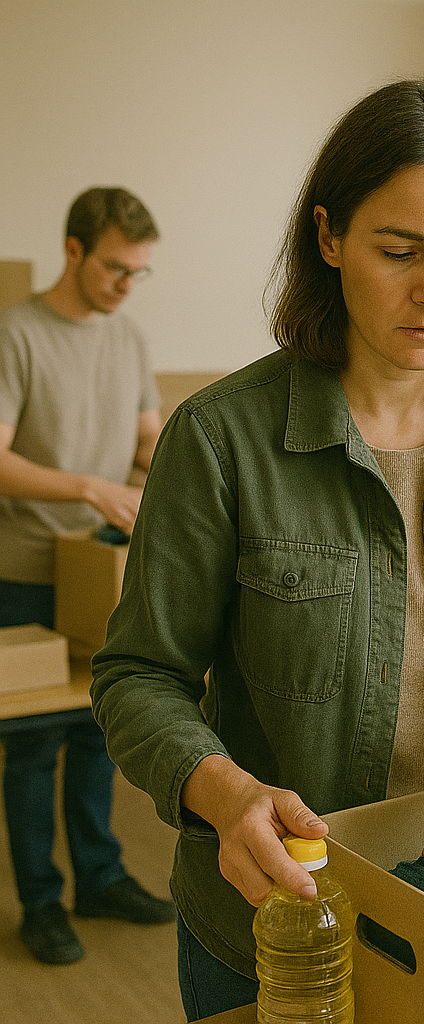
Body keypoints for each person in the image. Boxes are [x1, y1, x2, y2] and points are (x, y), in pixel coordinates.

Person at [90, 79, 424, 1021]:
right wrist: (221, 793)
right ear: (330, 238)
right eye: (399, 251)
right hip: (277, 909)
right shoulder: (220, 439)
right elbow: (138, 676)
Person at [0, 186, 176, 965]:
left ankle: (99, 876)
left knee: (101, 729)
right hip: (29, 569)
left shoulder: (129, 337)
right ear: (73, 251)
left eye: (140, 273)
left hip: (105, 565)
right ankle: (41, 900)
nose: (125, 286)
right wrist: (87, 485)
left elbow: (145, 441)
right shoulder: (16, 334)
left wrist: (169, 470)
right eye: (115, 269)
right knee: (35, 742)